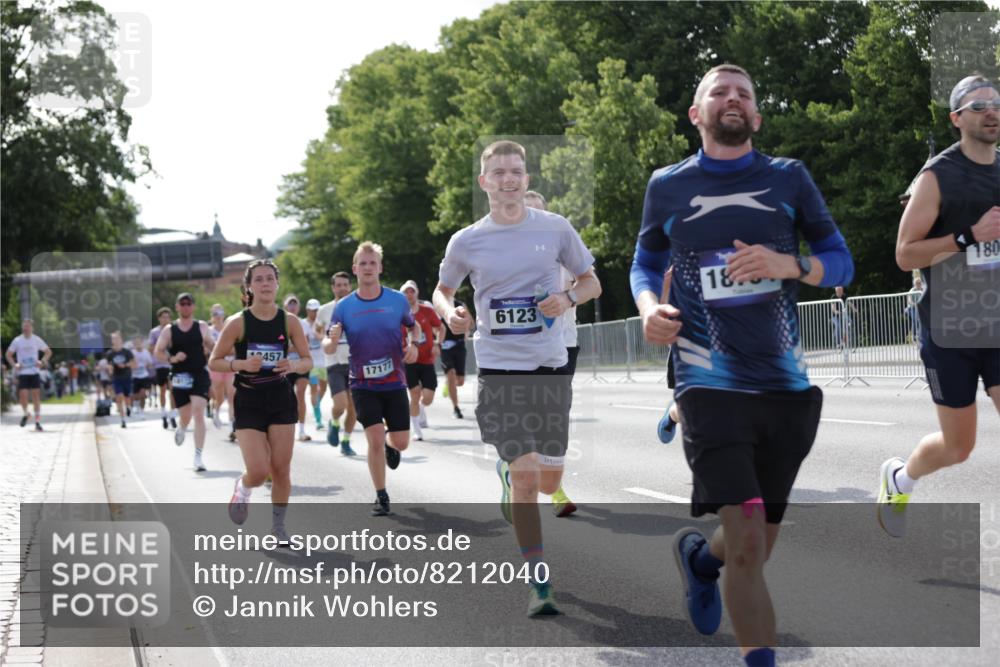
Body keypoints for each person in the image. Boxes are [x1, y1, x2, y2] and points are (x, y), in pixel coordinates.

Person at [630, 64, 853, 666]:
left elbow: (841, 261)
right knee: (751, 547)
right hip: (708, 384)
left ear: (755, 116)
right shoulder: (667, 185)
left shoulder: (788, 179)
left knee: (752, 545)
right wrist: (650, 308)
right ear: (696, 114)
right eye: (718, 92)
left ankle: (701, 561)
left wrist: (792, 266)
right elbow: (643, 265)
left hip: (784, 387)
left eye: (744, 94)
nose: (732, 99)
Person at [433, 140, 601, 616]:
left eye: (516, 172)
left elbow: (591, 281)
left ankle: (512, 475)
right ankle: (538, 581)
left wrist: (568, 299)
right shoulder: (467, 240)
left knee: (549, 483)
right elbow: (442, 291)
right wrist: (452, 314)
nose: (508, 179)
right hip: (500, 369)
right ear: (484, 182)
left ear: (526, 180)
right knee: (528, 480)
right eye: (498, 172)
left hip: (550, 368)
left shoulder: (555, 228)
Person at [878, 74, 1000, 538]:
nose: (991, 112)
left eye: (996, 103)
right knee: (958, 446)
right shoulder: (937, 176)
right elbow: (905, 253)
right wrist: (968, 236)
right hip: (949, 328)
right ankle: (900, 478)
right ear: (956, 119)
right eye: (978, 106)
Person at [210, 260, 310, 540]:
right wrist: (239, 364)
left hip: (280, 399)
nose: (265, 283)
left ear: (277, 284)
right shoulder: (237, 322)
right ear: (250, 286)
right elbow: (214, 362)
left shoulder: (289, 322)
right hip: (249, 401)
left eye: (270, 279)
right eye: (259, 279)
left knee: (280, 469)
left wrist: (292, 365)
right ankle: (243, 489)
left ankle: (278, 527)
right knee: (258, 471)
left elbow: (307, 359)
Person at [324, 242, 419, 516]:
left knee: (399, 442)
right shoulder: (344, 307)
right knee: (374, 437)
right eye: (362, 263)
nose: (367, 268)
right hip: (363, 383)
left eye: (372, 263)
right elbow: (329, 345)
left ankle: (392, 446)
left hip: (394, 382)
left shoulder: (396, 300)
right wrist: (329, 341)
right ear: (355, 269)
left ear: (380, 268)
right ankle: (381, 495)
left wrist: (413, 345)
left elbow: (415, 328)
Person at [523, 190, 578, 519]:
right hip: (523, 349)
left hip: (564, 344)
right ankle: (527, 476)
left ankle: (554, 484)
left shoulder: (565, 251)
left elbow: (590, 282)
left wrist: (568, 297)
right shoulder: (504, 259)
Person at [154, 292, 215, 472]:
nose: (186, 306)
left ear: (193, 306)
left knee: (198, 412)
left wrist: (227, 350)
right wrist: (172, 358)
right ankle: (181, 426)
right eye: (183, 303)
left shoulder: (202, 326)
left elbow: (213, 345)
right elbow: (158, 351)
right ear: (177, 307)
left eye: (189, 303)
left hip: (199, 374)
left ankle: (198, 456)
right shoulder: (169, 330)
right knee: (186, 416)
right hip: (180, 376)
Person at [316, 271, 358, 455]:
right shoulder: (324, 310)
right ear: (333, 288)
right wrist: (327, 339)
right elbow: (317, 330)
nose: (342, 288)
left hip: (355, 361)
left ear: (350, 286)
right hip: (334, 362)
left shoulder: (358, 307)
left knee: (354, 407)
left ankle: (346, 441)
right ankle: (334, 422)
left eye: (345, 285)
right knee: (340, 405)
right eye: (338, 285)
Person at [400, 280, 444, 441]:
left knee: (428, 397)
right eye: (406, 292)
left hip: (427, 360)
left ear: (416, 293)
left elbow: (441, 328)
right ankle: (417, 430)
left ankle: (421, 407)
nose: (409, 294)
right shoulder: (399, 314)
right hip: (409, 361)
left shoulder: (427, 310)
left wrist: (438, 344)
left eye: (412, 291)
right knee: (414, 394)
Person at [5, 319, 52, 431]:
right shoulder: (17, 340)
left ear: (32, 328)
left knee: (36, 396)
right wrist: (14, 365)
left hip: (34, 372)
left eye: (28, 327)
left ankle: (37, 421)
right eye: (24, 327)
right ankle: (26, 414)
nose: (26, 329)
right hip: (23, 372)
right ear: (22, 328)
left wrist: (42, 361)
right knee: (23, 396)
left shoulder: (36, 339)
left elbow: (48, 352)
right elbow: (8, 354)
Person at [283, 295, 313, 442]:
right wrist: (296, 348)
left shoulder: (304, 324)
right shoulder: (281, 322)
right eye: (290, 304)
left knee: (300, 393)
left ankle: (302, 429)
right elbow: (282, 348)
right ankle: (287, 428)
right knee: (287, 398)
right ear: (285, 306)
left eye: (295, 304)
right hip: (286, 366)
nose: (293, 306)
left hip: (301, 364)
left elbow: (305, 347)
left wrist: (293, 348)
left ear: (299, 307)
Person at [208, 303, 237, 437]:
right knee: (219, 396)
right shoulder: (209, 331)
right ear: (211, 317)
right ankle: (216, 412)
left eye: (220, 313)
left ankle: (233, 427)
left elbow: (233, 348)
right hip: (216, 367)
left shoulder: (228, 329)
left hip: (230, 365)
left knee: (232, 395)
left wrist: (222, 350)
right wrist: (223, 350)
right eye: (215, 314)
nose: (218, 317)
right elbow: (211, 348)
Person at [439, 296, 469, 420]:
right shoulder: (439, 305)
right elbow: (436, 326)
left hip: (459, 345)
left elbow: (469, 323)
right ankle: (456, 408)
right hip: (445, 347)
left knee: (460, 382)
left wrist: (466, 332)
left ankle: (448, 383)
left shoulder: (460, 305)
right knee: (451, 374)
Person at [149, 307, 178, 430]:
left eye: (167, 317)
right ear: (159, 318)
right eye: (163, 317)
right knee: (162, 390)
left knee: (173, 390)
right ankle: (163, 413)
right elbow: (151, 348)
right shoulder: (155, 332)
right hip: (160, 364)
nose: (165, 319)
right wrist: (160, 351)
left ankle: (172, 415)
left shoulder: (174, 330)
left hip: (172, 364)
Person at [301, 299, 327, 433]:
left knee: (323, 388)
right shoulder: (304, 323)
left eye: (317, 310)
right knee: (313, 389)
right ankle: (318, 419)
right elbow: (305, 343)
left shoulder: (321, 322)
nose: (315, 312)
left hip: (324, 361)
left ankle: (316, 406)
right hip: (311, 363)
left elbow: (324, 337)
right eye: (312, 310)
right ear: (308, 310)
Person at [105, 331, 136, 428]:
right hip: (117, 378)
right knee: (119, 397)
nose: (115, 341)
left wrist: (125, 365)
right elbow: (109, 365)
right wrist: (110, 369)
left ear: (121, 340)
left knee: (127, 397)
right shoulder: (110, 353)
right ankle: (122, 420)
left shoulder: (127, 352)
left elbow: (134, 364)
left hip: (127, 377)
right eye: (113, 339)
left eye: (117, 338)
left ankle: (128, 407)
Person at [131, 335, 154, 414]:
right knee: (136, 395)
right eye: (136, 343)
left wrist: (147, 365)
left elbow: (151, 364)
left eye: (139, 342)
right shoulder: (132, 353)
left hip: (144, 375)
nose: (138, 344)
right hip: (134, 376)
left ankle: (142, 410)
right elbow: (128, 364)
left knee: (143, 393)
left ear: (142, 343)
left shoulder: (146, 352)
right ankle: (136, 405)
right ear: (134, 344)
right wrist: (133, 365)